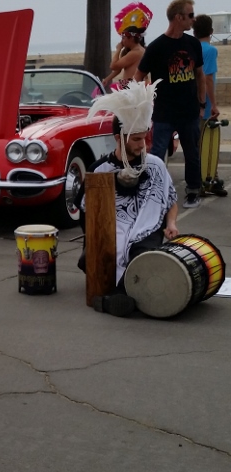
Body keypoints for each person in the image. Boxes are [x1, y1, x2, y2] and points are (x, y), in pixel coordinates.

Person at [79, 80, 179, 316]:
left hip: (147, 229)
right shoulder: (99, 170)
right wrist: (96, 240)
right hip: (109, 231)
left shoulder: (155, 165)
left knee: (142, 258)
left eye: (144, 138)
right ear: (118, 137)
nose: (142, 145)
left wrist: (172, 223)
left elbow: (170, 199)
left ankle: (114, 299)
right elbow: (85, 214)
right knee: (97, 257)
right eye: (136, 139)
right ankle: (124, 296)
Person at [134, 0, 205, 209]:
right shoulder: (157, 47)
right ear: (178, 17)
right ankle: (154, 193)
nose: (193, 19)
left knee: (192, 154)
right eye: (190, 15)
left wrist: (202, 105)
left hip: (189, 111)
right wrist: (143, 102)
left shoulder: (193, 44)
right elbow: (138, 77)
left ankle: (193, 191)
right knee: (157, 154)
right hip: (164, 112)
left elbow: (200, 75)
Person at [193, 13, 226, 198]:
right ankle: (207, 180)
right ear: (211, 31)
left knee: (197, 145)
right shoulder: (210, 51)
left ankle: (207, 179)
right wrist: (213, 104)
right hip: (204, 105)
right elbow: (207, 79)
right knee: (208, 144)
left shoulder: (191, 47)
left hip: (192, 103)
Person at [104, 1, 152, 89]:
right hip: (132, 85)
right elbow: (118, 69)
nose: (122, 41)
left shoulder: (136, 52)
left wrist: (118, 49)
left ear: (131, 38)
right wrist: (107, 79)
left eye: (123, 38)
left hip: (132, 86)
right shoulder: (137, 50)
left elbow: (113, 66)